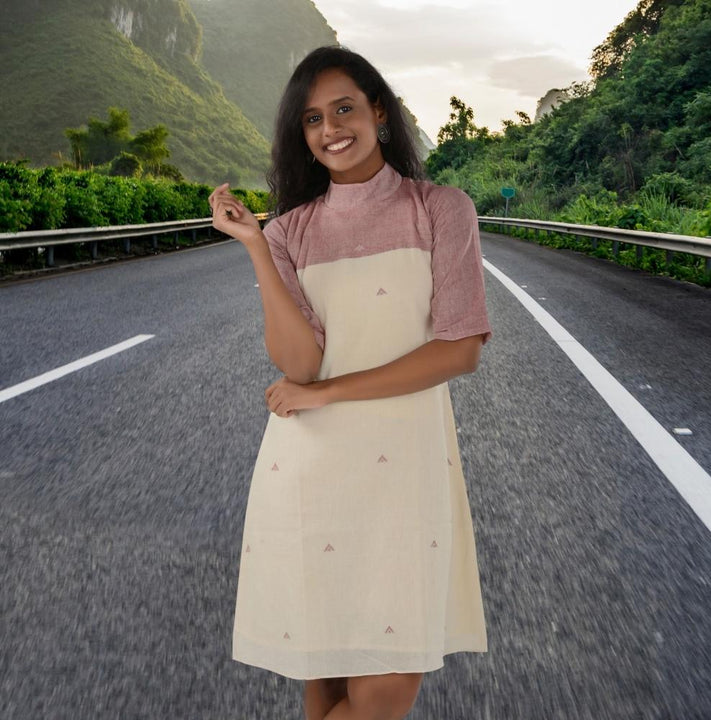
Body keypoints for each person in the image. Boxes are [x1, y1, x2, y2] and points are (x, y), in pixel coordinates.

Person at [209, 46, 492, 720]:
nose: (331, 128)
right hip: (311, 472)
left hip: (405, 472)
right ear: (300, 136)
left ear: (379, 114)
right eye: (312, 119)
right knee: (328, 686)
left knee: (384, 685)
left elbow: (459, 351)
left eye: (344, 109)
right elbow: (299, 363)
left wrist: (330, 393)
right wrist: (256, 246)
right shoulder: (291, 231)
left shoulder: (441, 208)